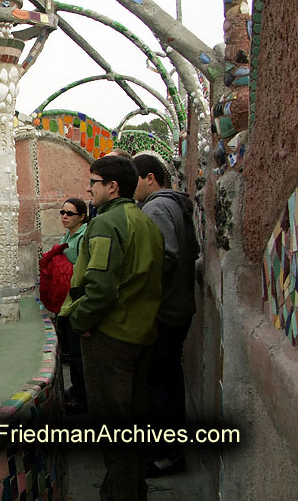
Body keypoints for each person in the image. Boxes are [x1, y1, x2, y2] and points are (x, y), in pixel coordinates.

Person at [61, 155, 164, 501]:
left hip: (111, 339)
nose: (89, 189)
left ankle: (119, 494)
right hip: (140, 334)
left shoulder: (107, 224)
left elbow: (101, 288)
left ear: (112, 187)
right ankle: (134, 490)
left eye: (93, 182)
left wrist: (79, 321)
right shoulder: (143, 219)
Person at [132, 154, 199, 477]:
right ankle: (170, 451)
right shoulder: (178, 205)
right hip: (180, 308)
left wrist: (139, 293)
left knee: (158, 385)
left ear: (150, 178)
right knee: (168, 382)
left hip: (165, 312)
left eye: (135, 180)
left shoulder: (156, 207)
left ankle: (165, 454)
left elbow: (165, 256)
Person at [39, 198, 89, 414]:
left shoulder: (84, 236)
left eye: (70, 213)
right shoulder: (67, 236)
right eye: (62, 212)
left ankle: (82, 398)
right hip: (66, 302)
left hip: (77, 301)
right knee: (71, 348)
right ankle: (77, 389)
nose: (65, 217)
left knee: (78, 353)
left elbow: (83, 267)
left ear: (82, 217)